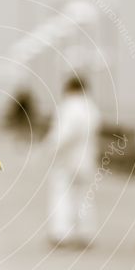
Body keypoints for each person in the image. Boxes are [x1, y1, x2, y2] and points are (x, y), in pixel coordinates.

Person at [46, 76, 102, 247]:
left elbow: (63, 134)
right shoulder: (91, 108)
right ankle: (85, 233)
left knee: (62, 195)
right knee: (84, 197)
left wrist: (51, 148)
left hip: (67, 160)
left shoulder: (68, 106)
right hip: (87, 160)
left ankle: (61, 233)